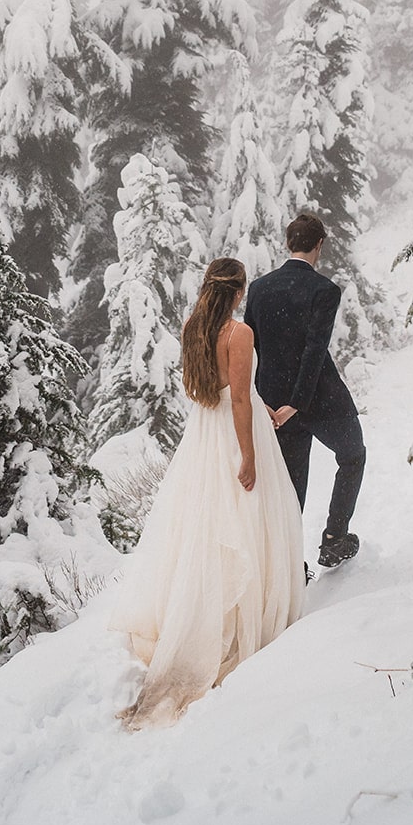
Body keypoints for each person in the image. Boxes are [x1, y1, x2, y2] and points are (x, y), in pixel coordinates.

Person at [109, 257, 304, 729]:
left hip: (203, 432)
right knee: (245, 518)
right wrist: (249, 455)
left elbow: (209, 391)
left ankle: (203, 612)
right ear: (238, 292)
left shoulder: (193, 327)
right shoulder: (238, 335)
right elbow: (238, 397)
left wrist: (264, 412)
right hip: (235, 433)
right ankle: (238, 624)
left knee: (205, 524)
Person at [244, 212, 365, 570]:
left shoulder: (259, 288)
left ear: (287, 244)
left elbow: (252, 349)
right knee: (353, 455)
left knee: (289, 488)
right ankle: (334, 538)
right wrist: (297, 402)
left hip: (272, 404)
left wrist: (263, 400)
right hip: (320, 399)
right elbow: (314, 350)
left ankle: (289, 567)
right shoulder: (324, 290)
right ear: (319, 245)